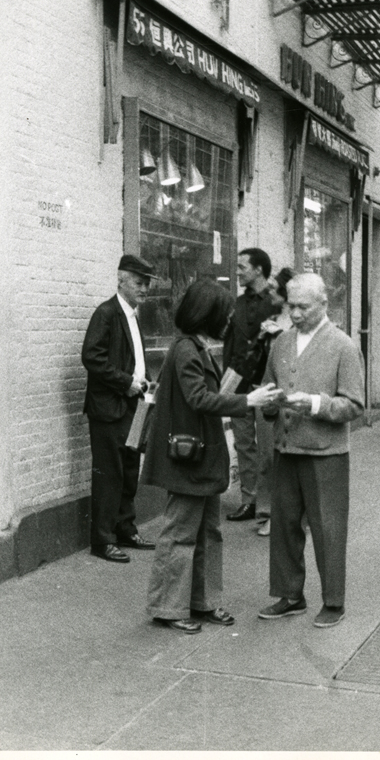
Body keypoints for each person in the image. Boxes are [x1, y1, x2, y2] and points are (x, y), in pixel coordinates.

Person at [142, 280, 282, 634]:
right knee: (181, 533)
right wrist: (247, 402)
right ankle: (168, 608)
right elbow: (199, 399)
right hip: (189, 458)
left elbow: (209, 394)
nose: (229, 320)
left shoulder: (196, 348)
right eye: (226, 314)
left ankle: (203, 602)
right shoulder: (187, 351)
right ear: (209, 314)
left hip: (198, 456)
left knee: (207, 533)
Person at [258, 273, 365, 628]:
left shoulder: (344, 346)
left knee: (328, 528)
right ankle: (290, 595)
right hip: (286, 448)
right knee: (284, 525)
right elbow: (266, 388)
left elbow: (354, 405)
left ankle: (334, 601)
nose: (296, 313)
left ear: (323, 305)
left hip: (326, 453)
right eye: (291, 306)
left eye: (303, 307)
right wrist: (269, 403)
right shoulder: (281, 343)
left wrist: (318, 405)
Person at [81, 254, 159, 563]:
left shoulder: (131, 314)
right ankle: (102, 540)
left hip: (134, 406)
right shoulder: (107, 313)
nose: (145, 290)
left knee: (129, 469)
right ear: (121, 280)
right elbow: (92, 357)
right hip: (110, 408)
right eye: (139, 283)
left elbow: (135, 358)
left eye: (147, 284)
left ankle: (125, 529)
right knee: (109, 474)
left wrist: (147, 385)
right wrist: (126, 382)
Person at [223, 248, 277, 524]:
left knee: (269, 449)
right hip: (240, 386)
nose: (238, 271)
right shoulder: (237, 304)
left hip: (268, 387)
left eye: (243, 266)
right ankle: (249, 501)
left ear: (258, 270)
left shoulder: (278, 302)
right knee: (244, 444)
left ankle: (271, 504)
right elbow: (230, 345)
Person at [251, 266, 295, 537]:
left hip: (290, 396)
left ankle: (289, 513)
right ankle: (267, 512)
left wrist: (278, 334)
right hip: (268, 391)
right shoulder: (272, 319)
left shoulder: (297, 325)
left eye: (274, 292)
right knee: (267, 455)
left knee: (289, 457)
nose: (270, 296)